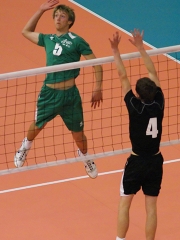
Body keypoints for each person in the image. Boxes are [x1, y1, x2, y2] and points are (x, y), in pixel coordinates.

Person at [14, 0, 103, 179]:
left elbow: (97, 65)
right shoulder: (47, 39)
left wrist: (98, 88)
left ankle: (85, 156)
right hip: (49, 94)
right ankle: (24, 147)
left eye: (62, 16)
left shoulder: (77, 41)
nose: (57, 18)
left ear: (70, 21)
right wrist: (40, 10)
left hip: (71, 96)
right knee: (37, 126)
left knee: (79, 135)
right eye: (55, 15)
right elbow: (26, 31)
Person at [109, 29, 165, 240]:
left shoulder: (135, 106)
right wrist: (141, 48)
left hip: (136, 162)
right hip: (155, 161)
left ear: (138, 95)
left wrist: (115, 50)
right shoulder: (159, 102)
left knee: (125, 202)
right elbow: (154, 74)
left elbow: (123, 76)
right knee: (151, 208)